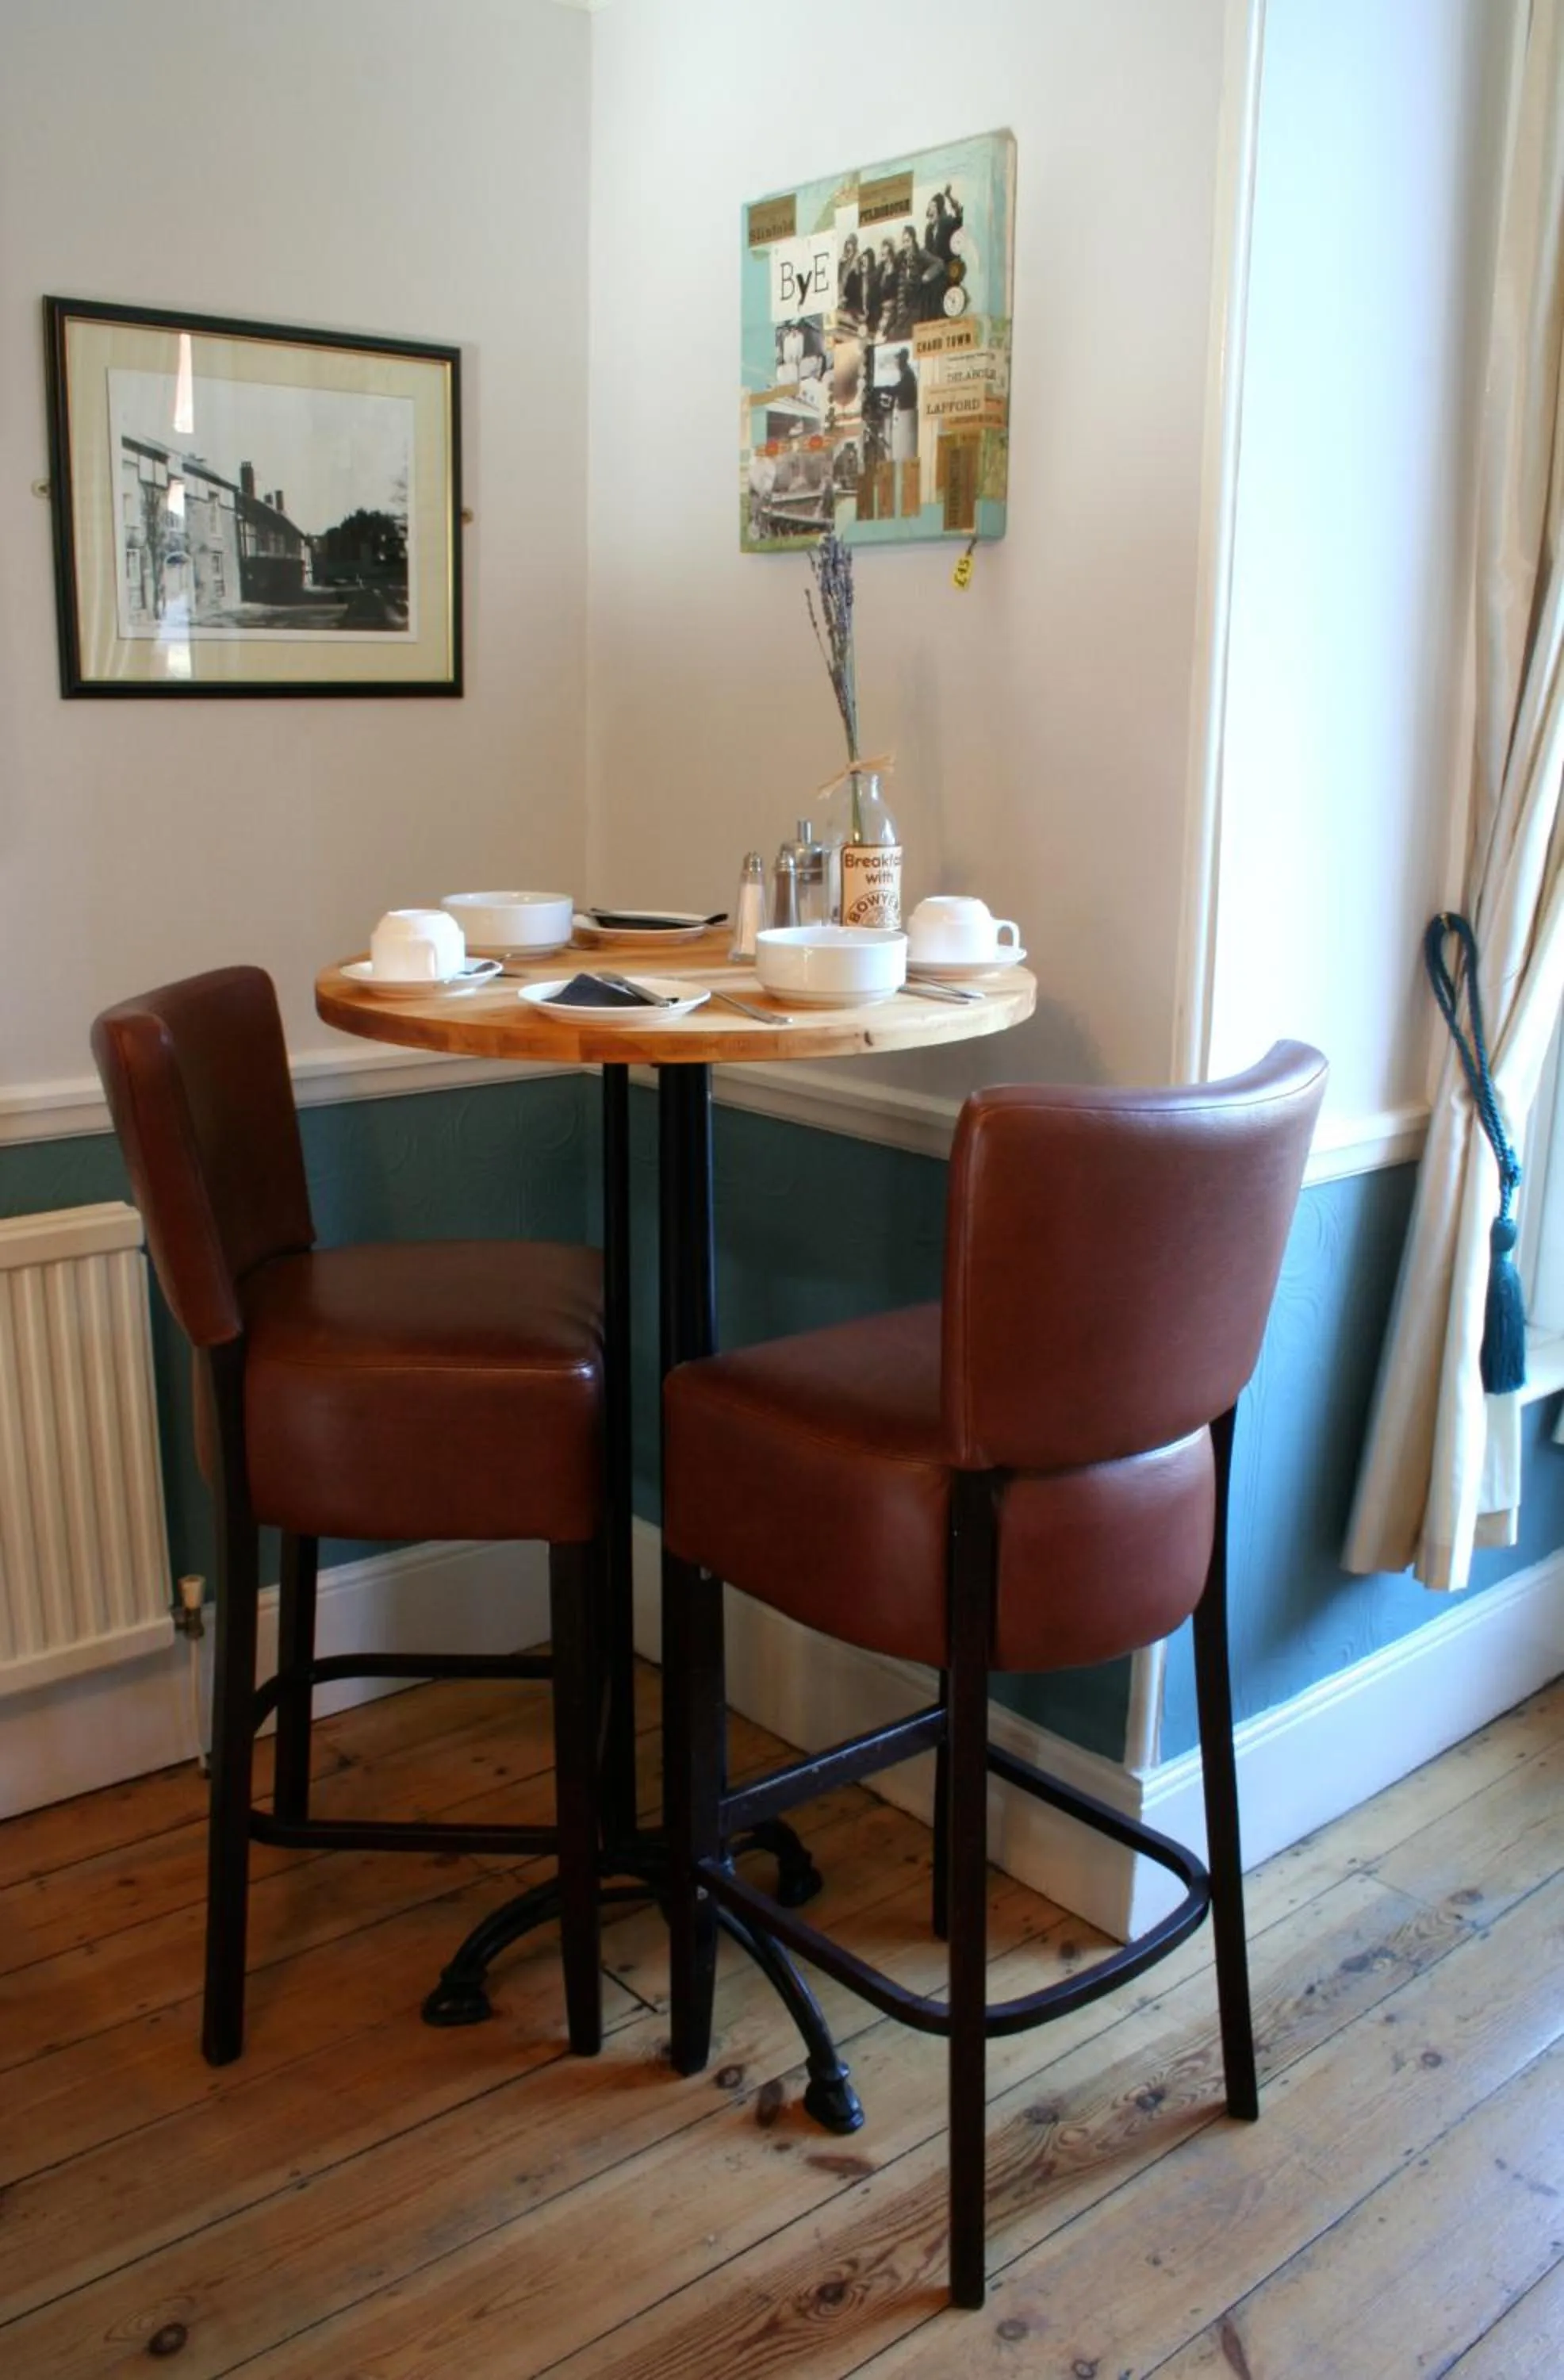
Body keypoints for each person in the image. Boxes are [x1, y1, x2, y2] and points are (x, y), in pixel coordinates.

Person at [919, 185, 964, 322]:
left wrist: (950, 198)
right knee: (923, 287)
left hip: (947, 271)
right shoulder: (929, 229)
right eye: (929, 206)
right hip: (935, 270)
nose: (930, 209)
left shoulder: (946, 223)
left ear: (939, 209)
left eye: (933, 206)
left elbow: (960, 219)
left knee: (937, 289)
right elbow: (927, 254)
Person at [890, 347, 918, 462]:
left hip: (907, 416)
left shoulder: (907, 374)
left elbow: (899, 389)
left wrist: (886, 390)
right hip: (905, 414)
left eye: (898, 359)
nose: (897, 362)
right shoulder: (906, 373)